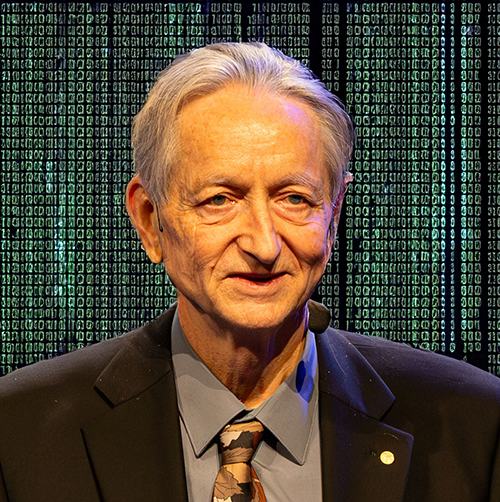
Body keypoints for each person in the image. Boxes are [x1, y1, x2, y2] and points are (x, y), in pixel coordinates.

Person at [0, 42, 499, 502]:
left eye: (295, 199)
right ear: (150, 221)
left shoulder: (475, 423)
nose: (263, 243)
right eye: (220, 199)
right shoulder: (19, 431)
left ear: (334, 214)